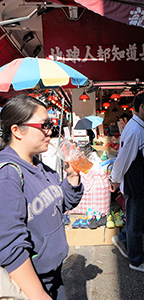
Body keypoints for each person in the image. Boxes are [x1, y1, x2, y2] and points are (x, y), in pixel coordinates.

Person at [0, 94, 84, 299]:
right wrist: (39, 295)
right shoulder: (8, 174)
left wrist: (73, 176)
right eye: (44, 125)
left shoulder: (39, 165)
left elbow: (62, 203)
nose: (51, 132)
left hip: (54, 275)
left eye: (51, 125)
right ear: (16, 130)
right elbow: (10, 244)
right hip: (32, 283)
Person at [109, 92, 144, 274]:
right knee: (135, 224)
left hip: (141, 182)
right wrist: (114, 180)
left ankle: (123, 237)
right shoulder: (134, 130)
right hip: (134, 182)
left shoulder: (139, 127)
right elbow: (122, 159)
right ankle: (136, 261)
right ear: (141, 107)